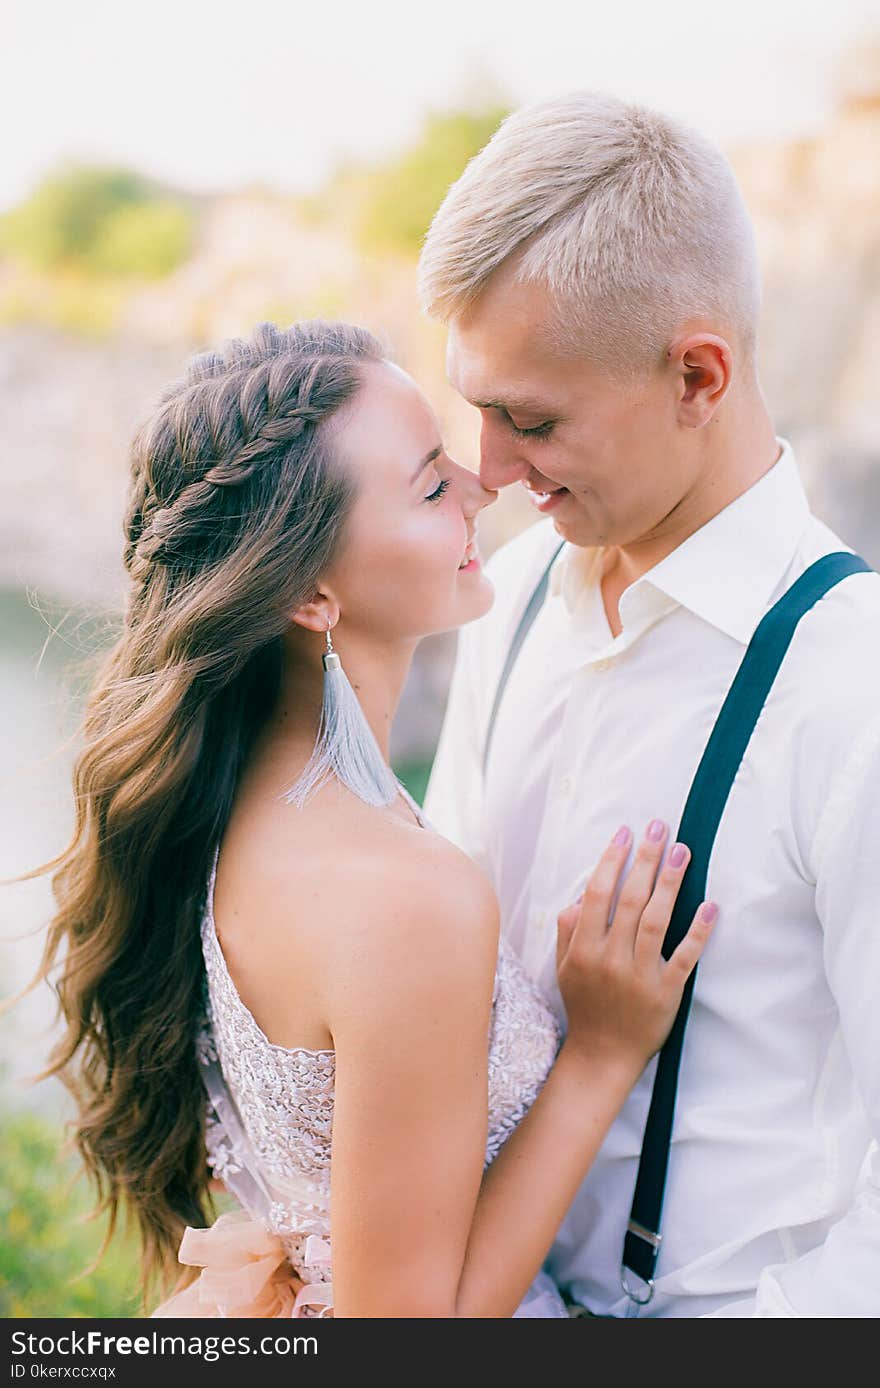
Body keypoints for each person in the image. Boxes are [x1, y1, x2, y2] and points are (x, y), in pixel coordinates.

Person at [27, 319, 716, 1319]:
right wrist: (599, 1053)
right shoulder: (400, 894)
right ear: (311, 591)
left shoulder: (237, 810)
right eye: (433, 485)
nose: (483, 487)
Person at [417, 90, 880, 1317]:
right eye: (477, 407)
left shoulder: (855, 694)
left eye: (530, 418)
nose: (490, 468)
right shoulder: (503, 598)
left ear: (697, 374)